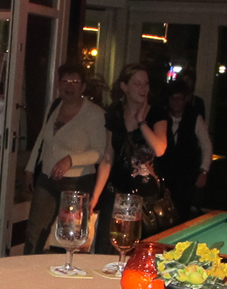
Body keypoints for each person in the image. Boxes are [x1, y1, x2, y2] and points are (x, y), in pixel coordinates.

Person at [23, 64, 107, 255]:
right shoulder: (54, 106)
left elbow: (100, 152)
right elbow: (43, 139)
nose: (69, 86)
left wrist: (71, 160)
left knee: (71, 236)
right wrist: (30, 168)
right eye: (65, 81)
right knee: (34, 232)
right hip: (47, 176)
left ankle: (67, 268)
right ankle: (28, 268)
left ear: (83, 86)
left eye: (75, 82)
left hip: (77, 181)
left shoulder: (95, 114)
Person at [91, 64, 169, 248]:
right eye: (137, 83)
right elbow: (108, 157)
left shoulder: (156, 112)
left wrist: (142, 122)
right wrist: (95, 197)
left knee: (139, 251)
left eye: (146, 83)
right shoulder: (115, 113)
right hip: (116, 192)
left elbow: (159, 149)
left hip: (144, 197)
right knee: (106, 247)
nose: (143, 88)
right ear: (124, 86)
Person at [157, 79, 213, 222]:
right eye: (173, 99)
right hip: (164, 174)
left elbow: (206, 146)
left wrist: (204, 171)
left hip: (186, 177)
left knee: (182, 213)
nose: (176, 103)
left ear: (186, 99)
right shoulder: (161, 116)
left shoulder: (194, 117)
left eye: (179, 99)